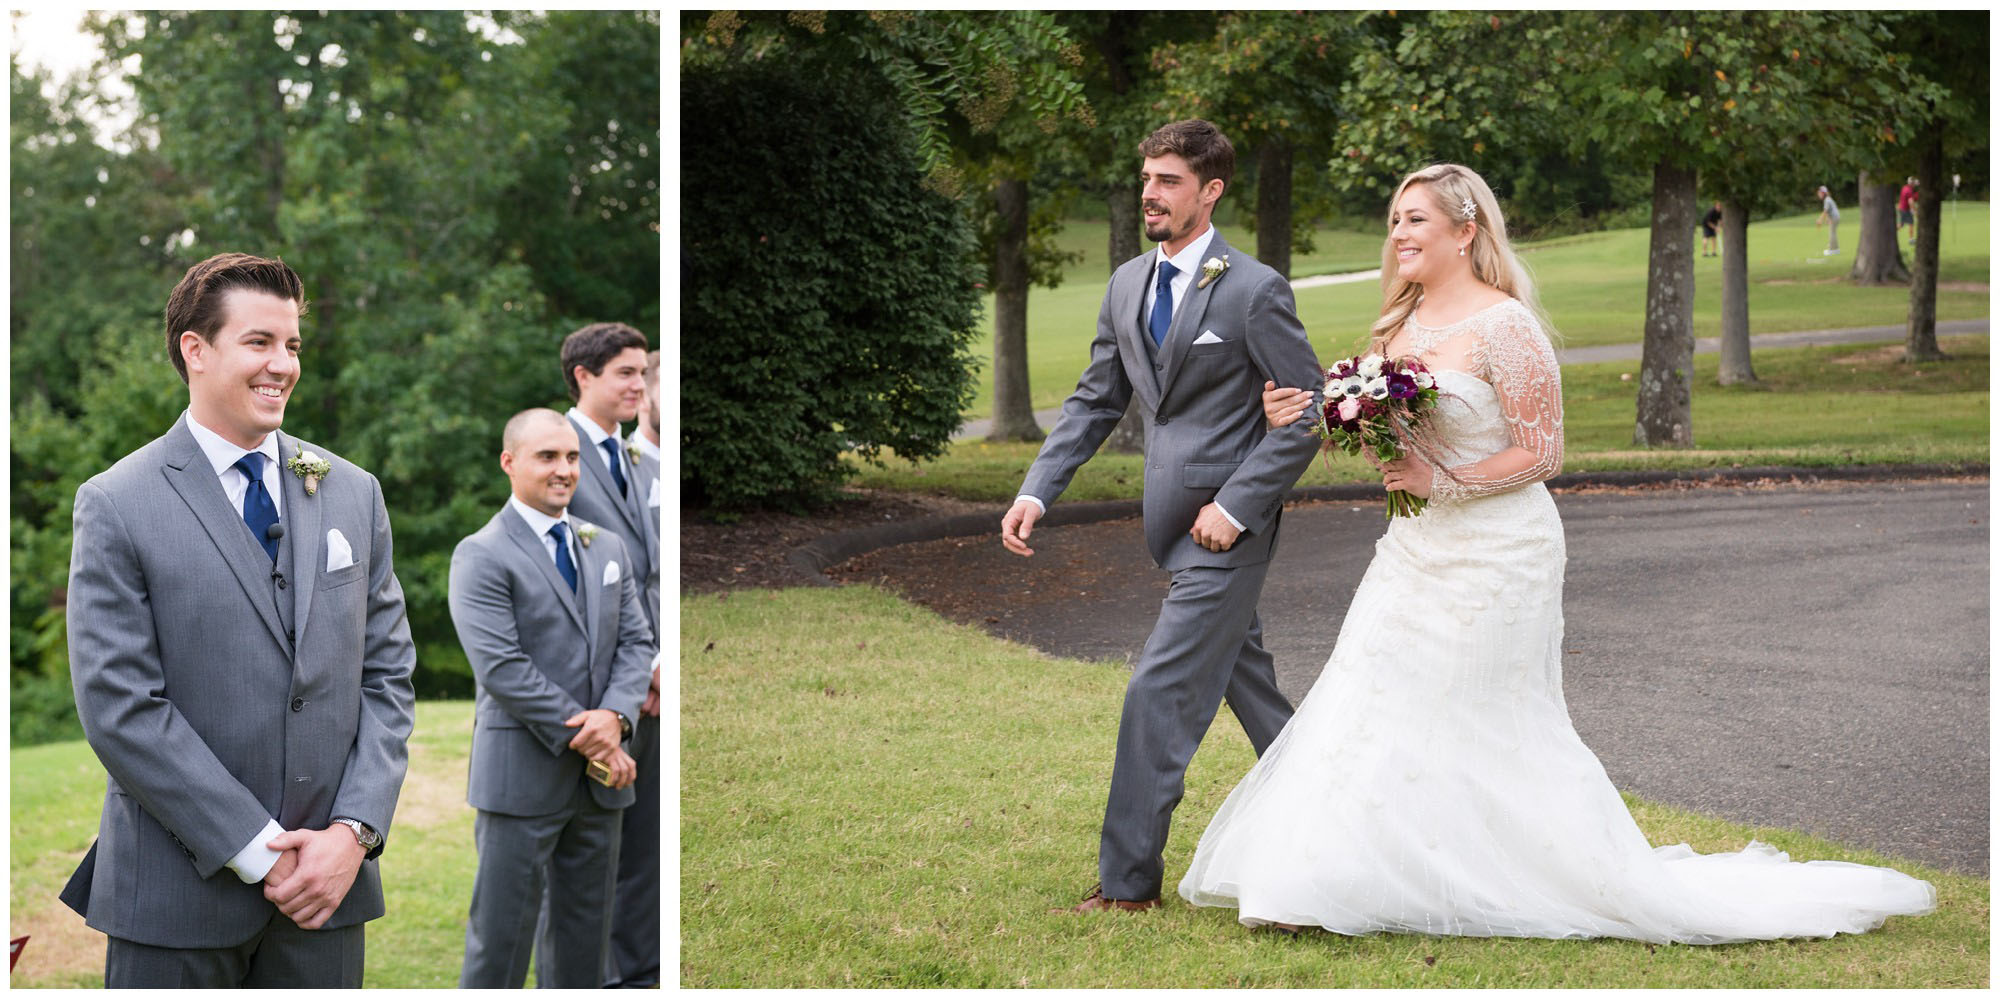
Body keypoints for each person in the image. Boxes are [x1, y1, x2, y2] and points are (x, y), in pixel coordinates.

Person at [1180, 164, 1937, 943]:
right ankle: (1324, 880)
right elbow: (1395, 443)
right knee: (1371, 694)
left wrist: (1440, 482)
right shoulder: (1396, 326)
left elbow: (1543, 452)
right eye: (1394, 221)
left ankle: (1512, 873)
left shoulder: (1506, 324)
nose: (1398, 234)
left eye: (1415, 220)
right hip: (1414, 546)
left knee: (1489, 717)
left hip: (1502, 550)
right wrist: (1312, 411)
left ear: (1465, 232)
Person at [59, 252, 417, 986]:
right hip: (174, 901)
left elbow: (388, 675)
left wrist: (352, 834)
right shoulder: (116, 501)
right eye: (259, 341)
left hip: (327, 895)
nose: (282, 364)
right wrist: (258, 848)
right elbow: (121, 707)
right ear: (196, 349)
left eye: (291, 345)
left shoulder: (352, 490)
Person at [999, 119, 1323, 913]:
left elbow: (1306, 411)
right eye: (1147, 177)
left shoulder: (1254, 288)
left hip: (1224, 535)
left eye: (1170, 180)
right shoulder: (1124, 284)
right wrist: (1038, 488)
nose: (1151, 191)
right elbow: (1095, 399)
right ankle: (1341, 817)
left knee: (1158, 693)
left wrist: (1237, 506)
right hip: (1165, 531)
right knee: (1260, 700)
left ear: (1210, 191)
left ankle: (1126, 885)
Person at [451, 408, 654, 987]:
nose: (564, 470)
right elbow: (501, 667)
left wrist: (615, 717)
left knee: (584, 943)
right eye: (548, 457)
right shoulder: (482, 553)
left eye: (571, 457)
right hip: (521, 779)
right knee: (501, 942)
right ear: (509, 463)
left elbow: (637, 641)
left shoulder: (606, 545)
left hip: (599, 784)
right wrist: (591, 734)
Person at [607, 348, 663, 987]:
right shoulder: (624, 469)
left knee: (647, 845)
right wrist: (645, 667)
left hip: (660, 674)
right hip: (629, 684)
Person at [1815, 185, 1841, 256]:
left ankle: (1831, 250)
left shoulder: (1827, 200)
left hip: (1834, 218)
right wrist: (1827, 219)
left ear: (1823, 193)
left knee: (1832, 233)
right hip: (1835, 217)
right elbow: (1829, 211)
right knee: (1833, 233)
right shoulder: (1828, 199)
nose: (1819, 194)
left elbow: (1825, 211)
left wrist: (1820, 220)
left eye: (1820, 193)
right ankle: (1836, 249)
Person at [1898, 177, 1919, 244]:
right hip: (1905, 209)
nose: (1915, 184)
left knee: (1902, 224)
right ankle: (1911, 239)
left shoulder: (1905, 187)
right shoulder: (1909, 190)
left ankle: (1890, 233)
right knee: (1909, 223)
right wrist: (1915, 210)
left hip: (1902, 208)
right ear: (1911, 183)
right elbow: (1911, 202)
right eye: (1914, 183)